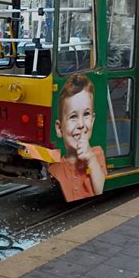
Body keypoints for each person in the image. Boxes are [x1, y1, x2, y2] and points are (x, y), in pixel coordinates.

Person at [48, 73, 107, 202]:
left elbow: (100, 191)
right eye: (73, 117)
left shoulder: (97, 154)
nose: (81, 125)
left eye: (86, 114)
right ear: (59, 129)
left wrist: (91, 159)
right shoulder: (55, 168)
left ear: (92, 120)